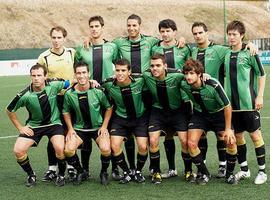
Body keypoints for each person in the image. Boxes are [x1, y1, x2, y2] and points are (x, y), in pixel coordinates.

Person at [191, 22, 256, 178]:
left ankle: (222, 165)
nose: (198, 36)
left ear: (207, 33)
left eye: (201, 32)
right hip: (200, 103)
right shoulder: (192, 51)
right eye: (195, 33)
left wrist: (249, 44)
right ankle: (203, 166)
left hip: (218, 102)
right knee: (202, 137)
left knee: (223, 136)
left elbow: (236, 47)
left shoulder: (219, 49)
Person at [6, 64, 70, 187]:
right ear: (30, 76)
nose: (36, 78)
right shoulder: (24, 95)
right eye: (33, 76)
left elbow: (69, 83)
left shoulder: (54, 85)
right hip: (34, 126)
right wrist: (20, 127)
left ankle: (61, 174)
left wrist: (91, 82)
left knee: (59, 148)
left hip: (54, 123)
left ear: (45, 76)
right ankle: (31, 174)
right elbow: (9, 110)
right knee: (18, 150)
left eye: (39, 75)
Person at [75, 16, 121, 180]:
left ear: (102, 27)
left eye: (97, 26)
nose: (94, 29)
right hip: (88, 95)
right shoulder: (83, 48)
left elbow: (121, 66)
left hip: (109, 94)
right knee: (87, 129)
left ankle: (114, 168)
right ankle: (85, 170)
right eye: (91, 26)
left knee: (111, 131)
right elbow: (77, 69)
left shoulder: (112, 47)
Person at [181, 58, 238, 185]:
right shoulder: (183, 82)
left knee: (231, 141)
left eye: (191, 74)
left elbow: (227, 106)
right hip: (200, 115)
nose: (188, 77)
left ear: (199, 74)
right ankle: (205, 173)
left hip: (219, 115)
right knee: (191, 143)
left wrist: (228, 129)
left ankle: (229, 174)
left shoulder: (213, 84)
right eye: (186, 73)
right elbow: (168, 70)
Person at [225, 20, 267, 184]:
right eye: (229, 34)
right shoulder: (226, 53)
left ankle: (262, 172)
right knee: (237, 137)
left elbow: (262, 74)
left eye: (234, 34)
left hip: (249, 104)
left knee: (256, 136)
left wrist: (260, 96)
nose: (231, 37)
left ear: (242, 35)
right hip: (232, 108)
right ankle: (244, 170)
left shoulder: (250, 53)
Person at [151, 19, 192, 179]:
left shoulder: (184, 47)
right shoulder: (155, 47)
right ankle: (171, 168)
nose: (165, 34)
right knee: (167, 134)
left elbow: (190, 68)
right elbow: (152, 67)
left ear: (175, 32)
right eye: (162, 31)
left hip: (181, 100)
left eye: (168, 31)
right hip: (160, 99)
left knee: (185, 138)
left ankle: (190, 169)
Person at [37, 26, 79, 181]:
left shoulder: (72, 53)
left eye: (59, 37)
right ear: (51, 38)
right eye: (53, 37)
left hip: (70, 99)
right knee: (53, 133)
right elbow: (40, 78)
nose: (56, 40)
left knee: (69, 133)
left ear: (64, 38)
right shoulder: (44, 57)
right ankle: (52, 168)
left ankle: (71, 167)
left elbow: (80, 71)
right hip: (52, 100)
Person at [63, 61, 113, 185]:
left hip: (97, 128)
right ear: (75, 75)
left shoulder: (98, 90)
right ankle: (81, 171)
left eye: (84, 72)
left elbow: (108, 107)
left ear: (89, 73)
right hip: (79, 129)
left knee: (106, 149)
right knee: (68, 150)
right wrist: (70, 128)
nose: (81, 76)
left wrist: (104, 126)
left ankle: (103, 172)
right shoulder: (69, 93)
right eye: (78, 73)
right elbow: (65, 112)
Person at [143, 54, 190, 184]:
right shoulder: (146, 76)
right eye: (152, 66)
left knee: (184, 141)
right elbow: (131, 78)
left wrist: (205, 75)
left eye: (158, 65)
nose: (154, 68)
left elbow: (191, 75)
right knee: (153, 141)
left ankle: (188, 171)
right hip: (157, 112)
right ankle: (156, 172)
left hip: (177, 112)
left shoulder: (177, 75)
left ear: (165, 66)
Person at [102, 59, 149, 184]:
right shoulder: (109, 84)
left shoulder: (140, 80)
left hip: (140, 118)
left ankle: (138, 171)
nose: (120, 73)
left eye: (123, 70)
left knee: (143, 146)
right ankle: (127, 172)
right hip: (120, 118)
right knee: (114, 145)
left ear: (129, 72)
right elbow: (95, 86)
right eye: (117, 70)